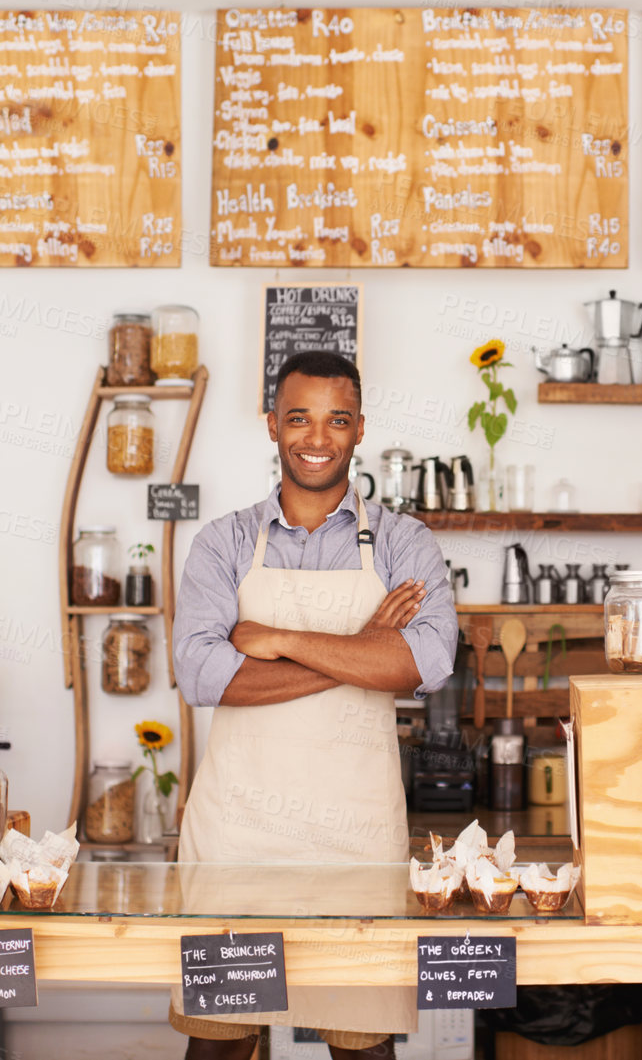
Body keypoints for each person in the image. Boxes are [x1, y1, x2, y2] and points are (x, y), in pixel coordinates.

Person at [170, 350, 457, 1060]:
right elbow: (204, 673)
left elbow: (427, 660)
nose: (316, 437)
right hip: (235, 840)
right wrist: (360, 650)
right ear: (272, 424)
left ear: (359, 429)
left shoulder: (403, 541)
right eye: (298, 417)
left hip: (355, 842)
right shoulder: (224, 541)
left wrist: (277, 639)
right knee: (220, 1048)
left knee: (362, 1047)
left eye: (336, 419)